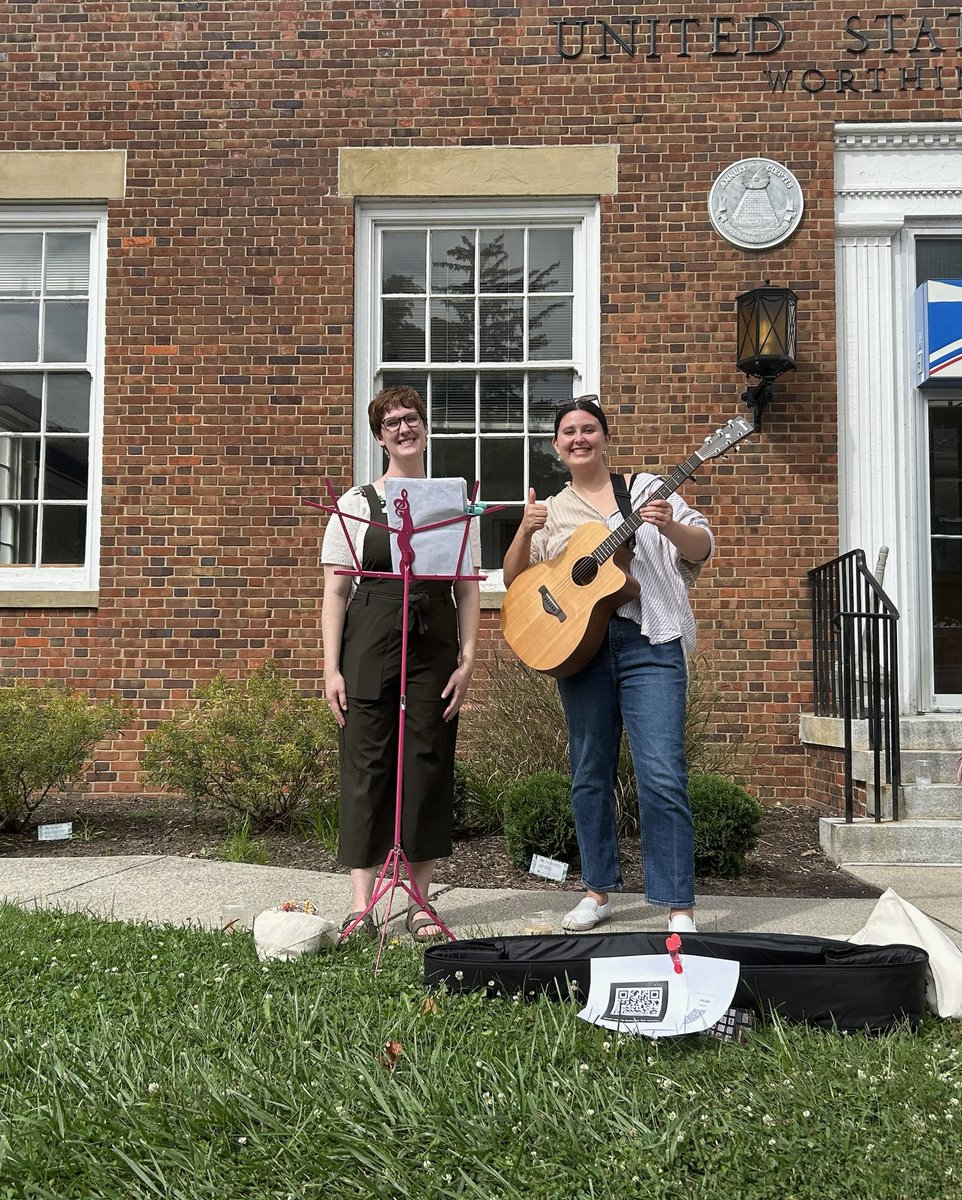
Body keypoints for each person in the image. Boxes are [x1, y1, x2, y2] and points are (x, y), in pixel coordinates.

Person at [502, 396, 713, 934]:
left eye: (589, 429)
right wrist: (525, 530)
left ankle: (677, 906)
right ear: (557, 446)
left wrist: (669, 527)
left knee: (662, 774)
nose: (579, 438)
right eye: (569, 431)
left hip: (650, 642)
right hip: (582, 647)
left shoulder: (645, 490)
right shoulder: (553, 509)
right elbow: (517, 580)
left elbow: (701, 546)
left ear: (605, 438)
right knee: (589, 773)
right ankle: (596, 891)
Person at [321, 385, 480, 942]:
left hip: (433, 640)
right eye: (392, 422)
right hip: (369, 637)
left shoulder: (454, 503)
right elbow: (336, 591)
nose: (404, 428)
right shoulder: (356, 503)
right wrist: (331, 668)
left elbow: (467, 587)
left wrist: (467, 659)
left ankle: (418, 900)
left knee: (426, 762)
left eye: (412, 418)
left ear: (426, 427)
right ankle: (361, 905)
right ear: (379, 436)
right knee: (366, 764)